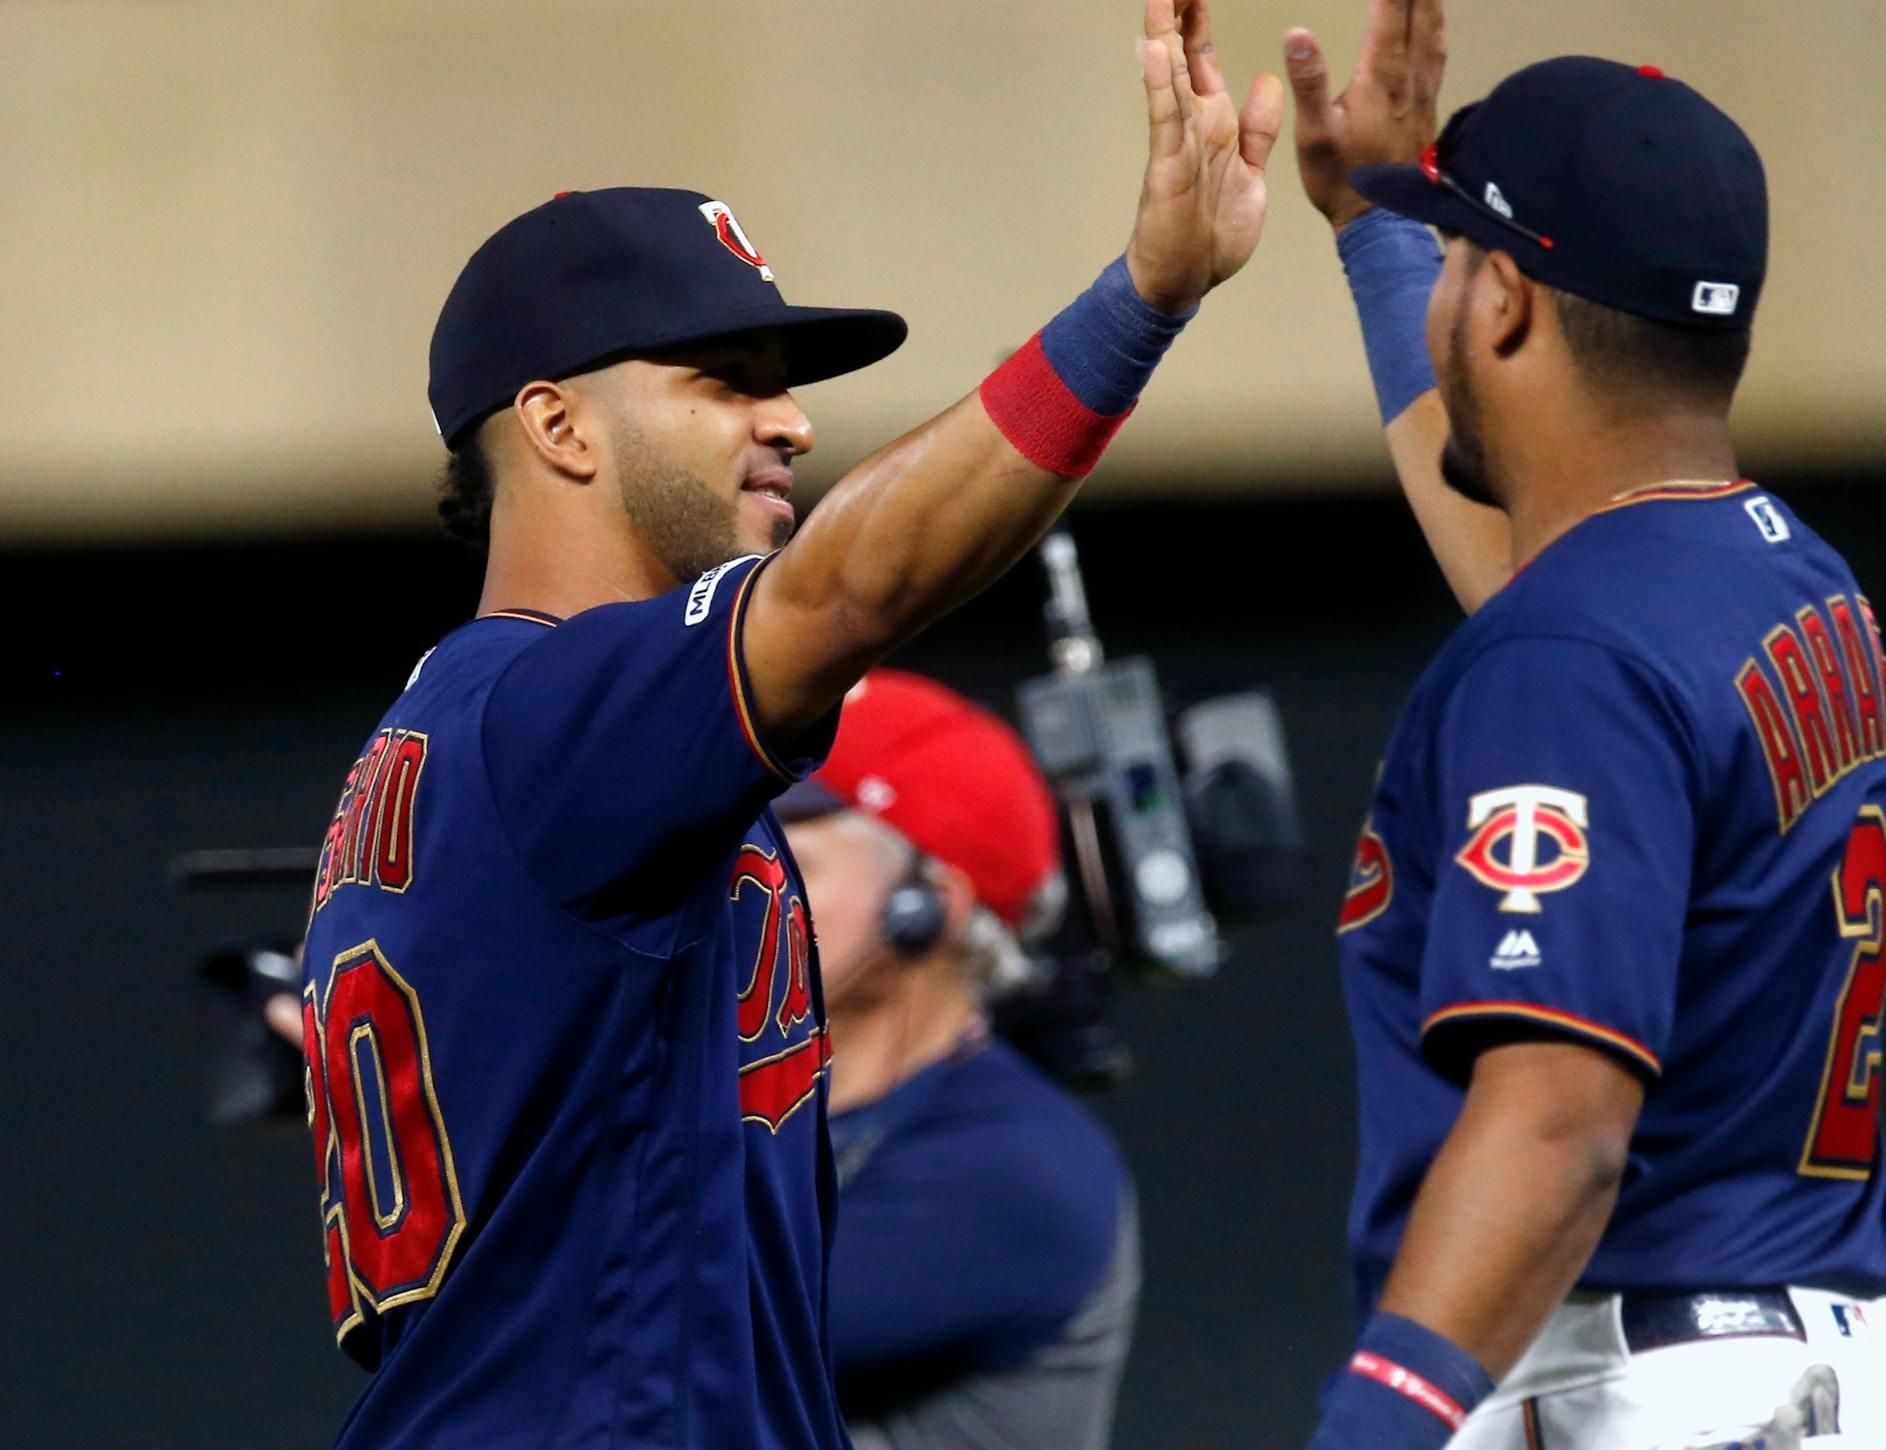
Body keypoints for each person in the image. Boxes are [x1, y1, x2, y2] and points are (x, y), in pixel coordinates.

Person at [292, 4, 1282, 1444]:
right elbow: (855, 584)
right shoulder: (564, 710)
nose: (795, 420)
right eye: (726, 379)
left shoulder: (467, 728)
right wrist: (1142, 301)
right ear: (560, 427)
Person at [1283, 3, 1886, 1445]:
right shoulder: (1779, 569)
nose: (1443, 295)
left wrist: (1382, 1417)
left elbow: (1557, 1122)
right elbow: (1535, 587)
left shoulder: (1571, 650)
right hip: (1826, 1372)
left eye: (1459, 260)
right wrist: (1375, 229)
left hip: (1640, 1389)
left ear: (1512, 307)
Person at [777, 670, 1137, 1450]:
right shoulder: (738, 1102)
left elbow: (646, 1337)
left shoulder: (1016, 1167)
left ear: (929, 905)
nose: (737, 888)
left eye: (786, 857)